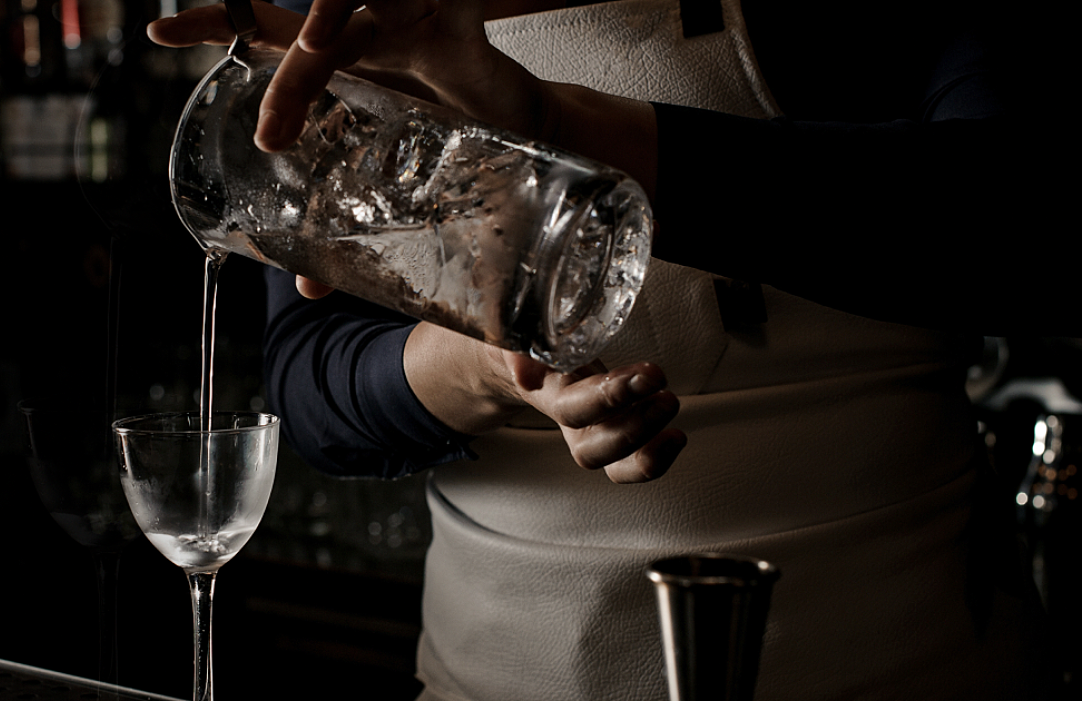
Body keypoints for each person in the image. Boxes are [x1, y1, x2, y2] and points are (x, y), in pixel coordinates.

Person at [150, 0, 1072, 699]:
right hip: (500, 679)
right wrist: (485, 364)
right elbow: (312, 386)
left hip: (908, 667)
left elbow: (1018, 226)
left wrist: (575, 132)